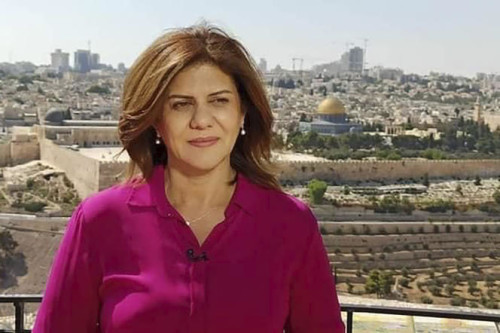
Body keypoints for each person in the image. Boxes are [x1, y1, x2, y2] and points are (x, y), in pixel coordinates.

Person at [33, 23, 344, 333]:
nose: (201, 121)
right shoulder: (100, 220)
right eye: (181, 105)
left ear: (242, 113)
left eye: (219, 100)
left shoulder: (290, 224)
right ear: (156, 120)